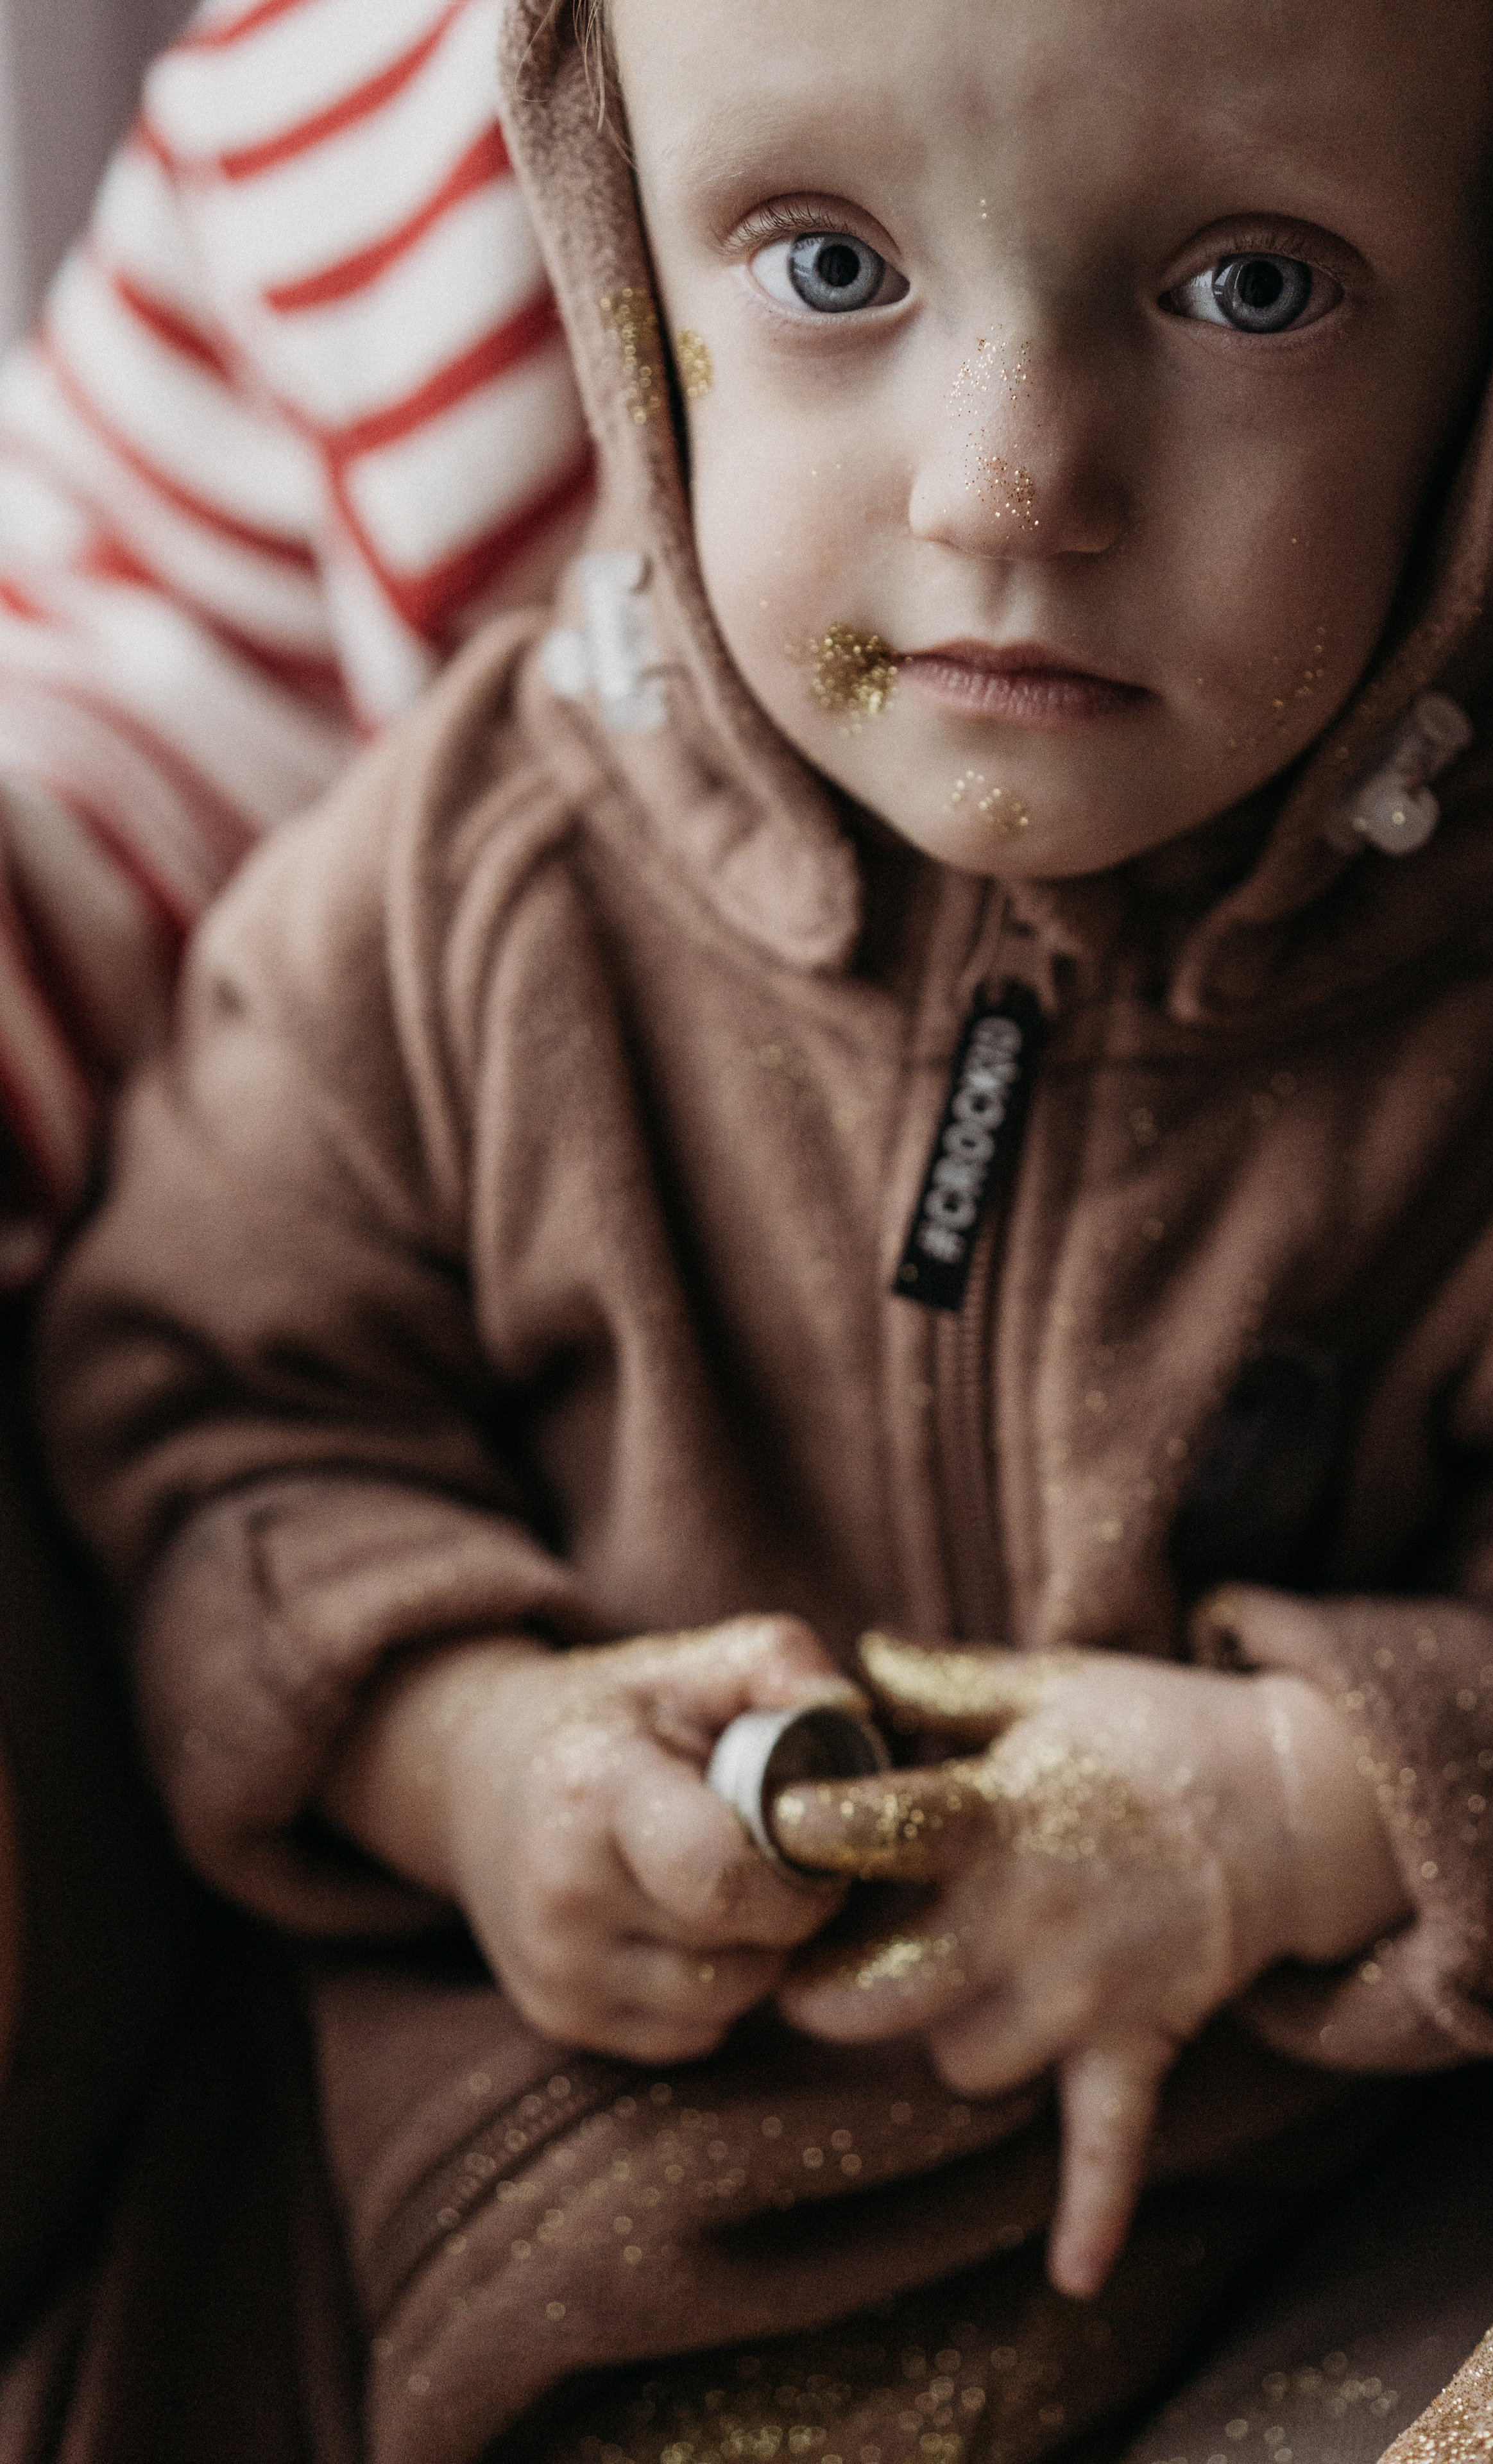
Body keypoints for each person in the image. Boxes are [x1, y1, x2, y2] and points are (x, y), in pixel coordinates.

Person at [22, 0, 1493, 2456]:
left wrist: (1296, 1809)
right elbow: (199, 1417)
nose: (1008, 486)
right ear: (616, 252)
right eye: (826, 263)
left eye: (1252, 289)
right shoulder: (474, 898)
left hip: (1271, 2281)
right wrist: (464, 1755)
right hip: (450, 2246)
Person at [0, 0, 588, 2347]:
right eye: (823, 270)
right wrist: (438, 1731)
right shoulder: (352, 125)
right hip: (440, 1713)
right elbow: (113, 694)